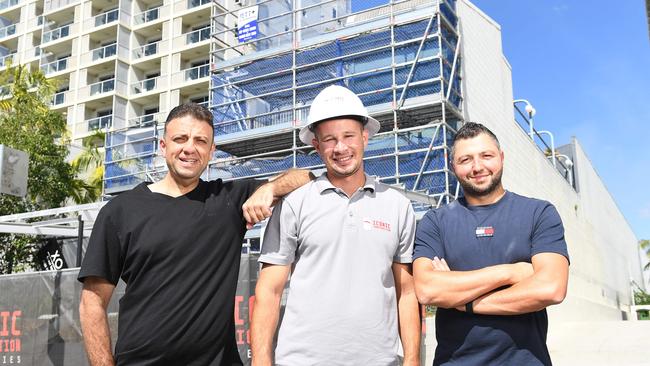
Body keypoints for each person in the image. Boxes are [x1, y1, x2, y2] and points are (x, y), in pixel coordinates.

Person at [78, 103, 313, 366]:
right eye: (180, 139)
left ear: (211, 151)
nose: (190, 148)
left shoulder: (227, 201)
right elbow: (92, 303)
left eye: (201, 141)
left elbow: (305, 176)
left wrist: (270, 189)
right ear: (163, 146)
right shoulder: (119, 211)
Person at [250, 85, 421, 366]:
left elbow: (408, 292)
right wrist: (260, 361)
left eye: (349, 136)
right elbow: (269, 291)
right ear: (316, 146)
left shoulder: (397, 206)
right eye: (329, 140)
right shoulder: (295, 203)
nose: (340, 148)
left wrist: (413, 359)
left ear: (365, 137)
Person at [413, 122, 570, 365]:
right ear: (452, 165)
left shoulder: (538, 213)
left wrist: (463, 302)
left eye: (486, 156)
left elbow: (550, 288)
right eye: (466, 159)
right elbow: (427, 289)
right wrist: (510, 272)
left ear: (501, 157)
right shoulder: (435, 222)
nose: (477, 167)